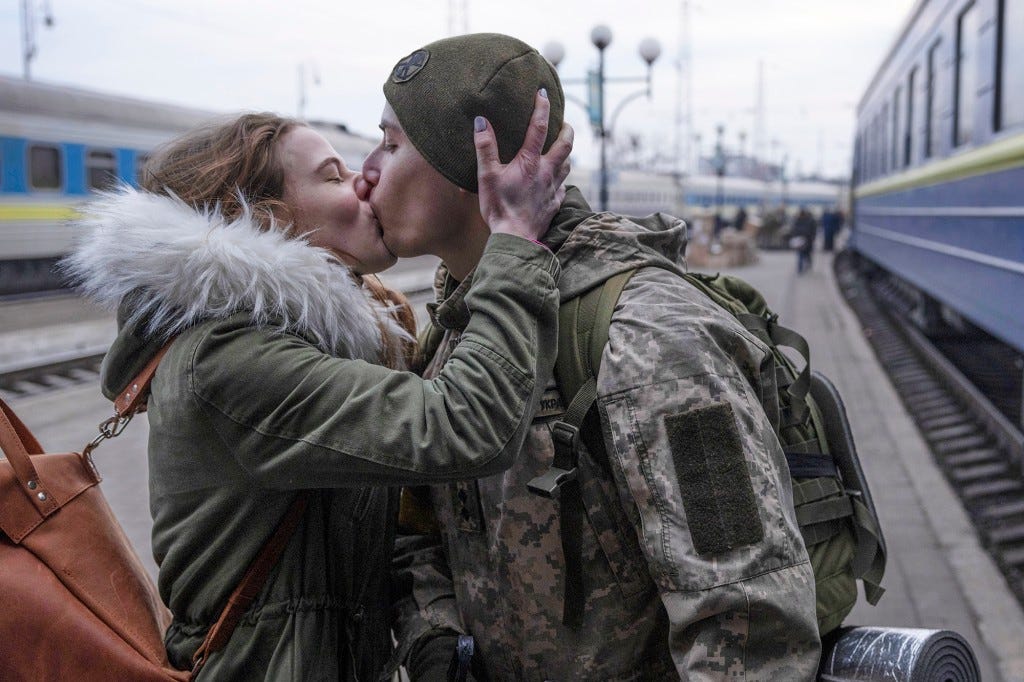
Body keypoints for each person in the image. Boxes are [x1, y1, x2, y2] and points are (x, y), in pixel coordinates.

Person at [358, 33, 820, 680]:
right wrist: (436, 641)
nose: (365, 171)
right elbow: (423, 531)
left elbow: (749, 626)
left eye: (391, 143)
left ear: (476, 164)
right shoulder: (464, 323)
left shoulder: (651, 339)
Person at [61, 100, 572, 680]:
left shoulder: (323, 341)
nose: (364, 180)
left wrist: (428, 632)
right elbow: (464, 426)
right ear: (264, 216)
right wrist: (514, 246)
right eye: (333, 176)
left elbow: (386, 516)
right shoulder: (226, 363)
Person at [791, 206, 818, 274]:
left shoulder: (805, 220)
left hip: (805, 240)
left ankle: (803, 266)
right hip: (803, 240)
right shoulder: (807, 220)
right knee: (802, 254)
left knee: (805, 254)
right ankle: (801, 268)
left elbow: (794, 230)